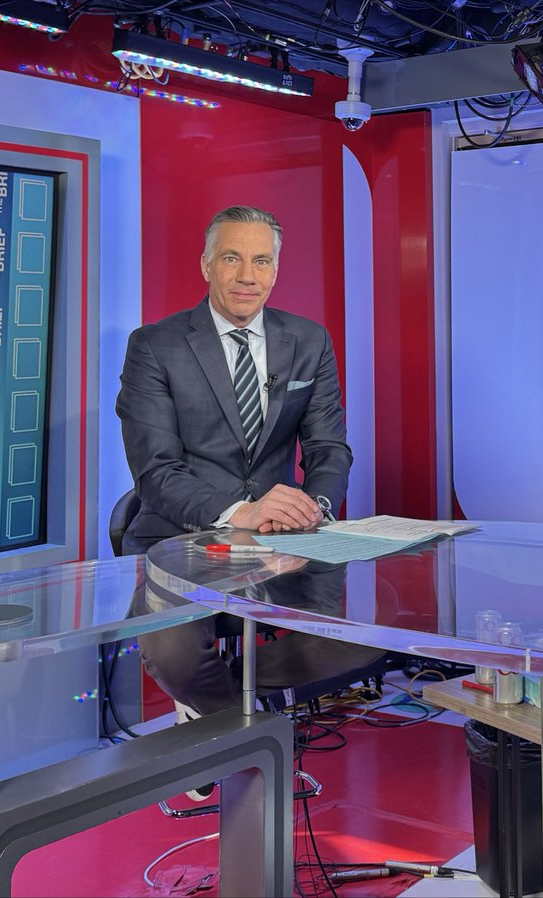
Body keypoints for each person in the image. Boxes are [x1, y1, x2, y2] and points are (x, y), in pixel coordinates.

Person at [116, 204, 374, 717]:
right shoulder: (155, 346)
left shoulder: (308, 340)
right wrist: (242, 512)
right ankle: (242, 725)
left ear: (275, 270)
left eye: (261, 261)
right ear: (206, 265)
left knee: (370, 631)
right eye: (232, 258)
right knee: (174, 658)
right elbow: (156, 471)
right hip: (182, 538)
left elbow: (328, 447)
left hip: (284, 538)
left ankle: (225, 713)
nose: (247, 276)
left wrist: (314, 509)